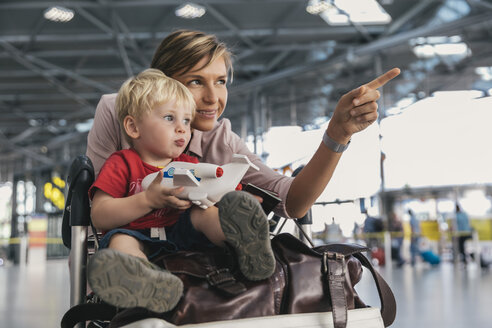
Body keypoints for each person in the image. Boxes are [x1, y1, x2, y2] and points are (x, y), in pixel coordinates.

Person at [86, 29, 401, 221]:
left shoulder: (222, 142)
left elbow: (292, 203)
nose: (213, 98)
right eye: (196, 82)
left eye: (220, 81)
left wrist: (337, 133)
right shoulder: (116, 111)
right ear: (165, 84)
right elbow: (100, 211)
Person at [87, 69, 275, 313]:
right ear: (133, 127)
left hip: (185, 233)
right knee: (120, 242)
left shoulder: (190, 164)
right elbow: (99, 214)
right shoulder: (121, 163)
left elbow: (215, 189)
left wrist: (235, 198)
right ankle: (149, 283)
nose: (182, 129)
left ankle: (244, 244)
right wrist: (147, 199)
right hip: (138, 236)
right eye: (169, 118)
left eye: (186, 121)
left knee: (203, 213)